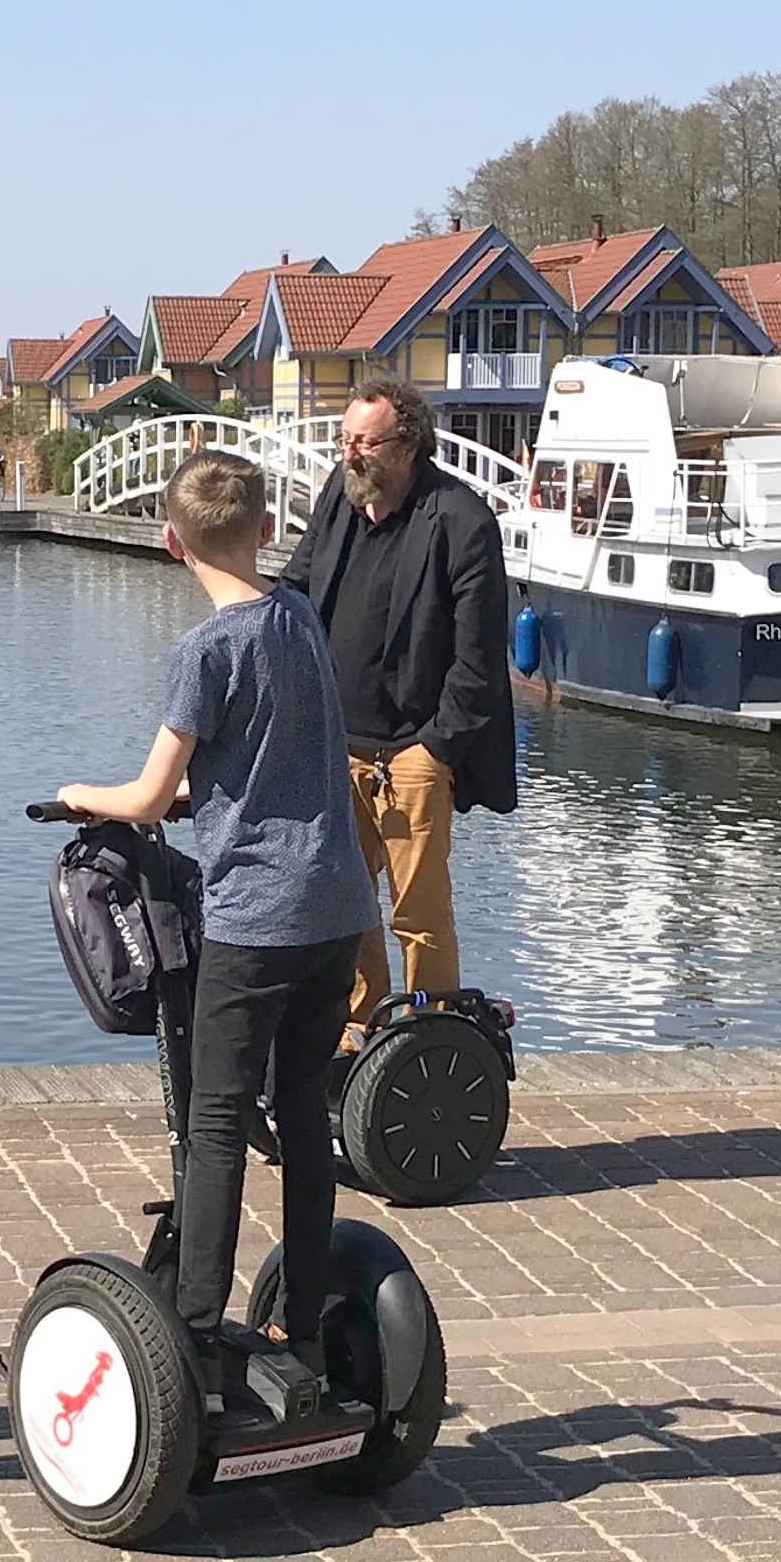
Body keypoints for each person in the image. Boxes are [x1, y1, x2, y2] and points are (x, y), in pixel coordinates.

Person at [57, 449, 379, 1355]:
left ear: (171, 542)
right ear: (267, 531)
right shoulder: (300, 618)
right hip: (336, 904)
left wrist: (87, 792)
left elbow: (151, 797)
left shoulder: (204, 650)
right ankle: (305, 1316)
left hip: (256, 919)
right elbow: (266, 760)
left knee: (216, 1123)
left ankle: (192, 1329)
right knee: (305, 1114)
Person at [278, 378, 518, 1037]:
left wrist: (434, 747)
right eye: (344, 439)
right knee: (345, 906)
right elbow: (297, 586)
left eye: (364, 442)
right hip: (338, 744)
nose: (350, 454)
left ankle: (429, 1036)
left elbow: (477, 662)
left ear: (406, 442)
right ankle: (360, 1033)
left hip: (413, 750)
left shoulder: (461, 520)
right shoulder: (339, 496)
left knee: (418, 913)